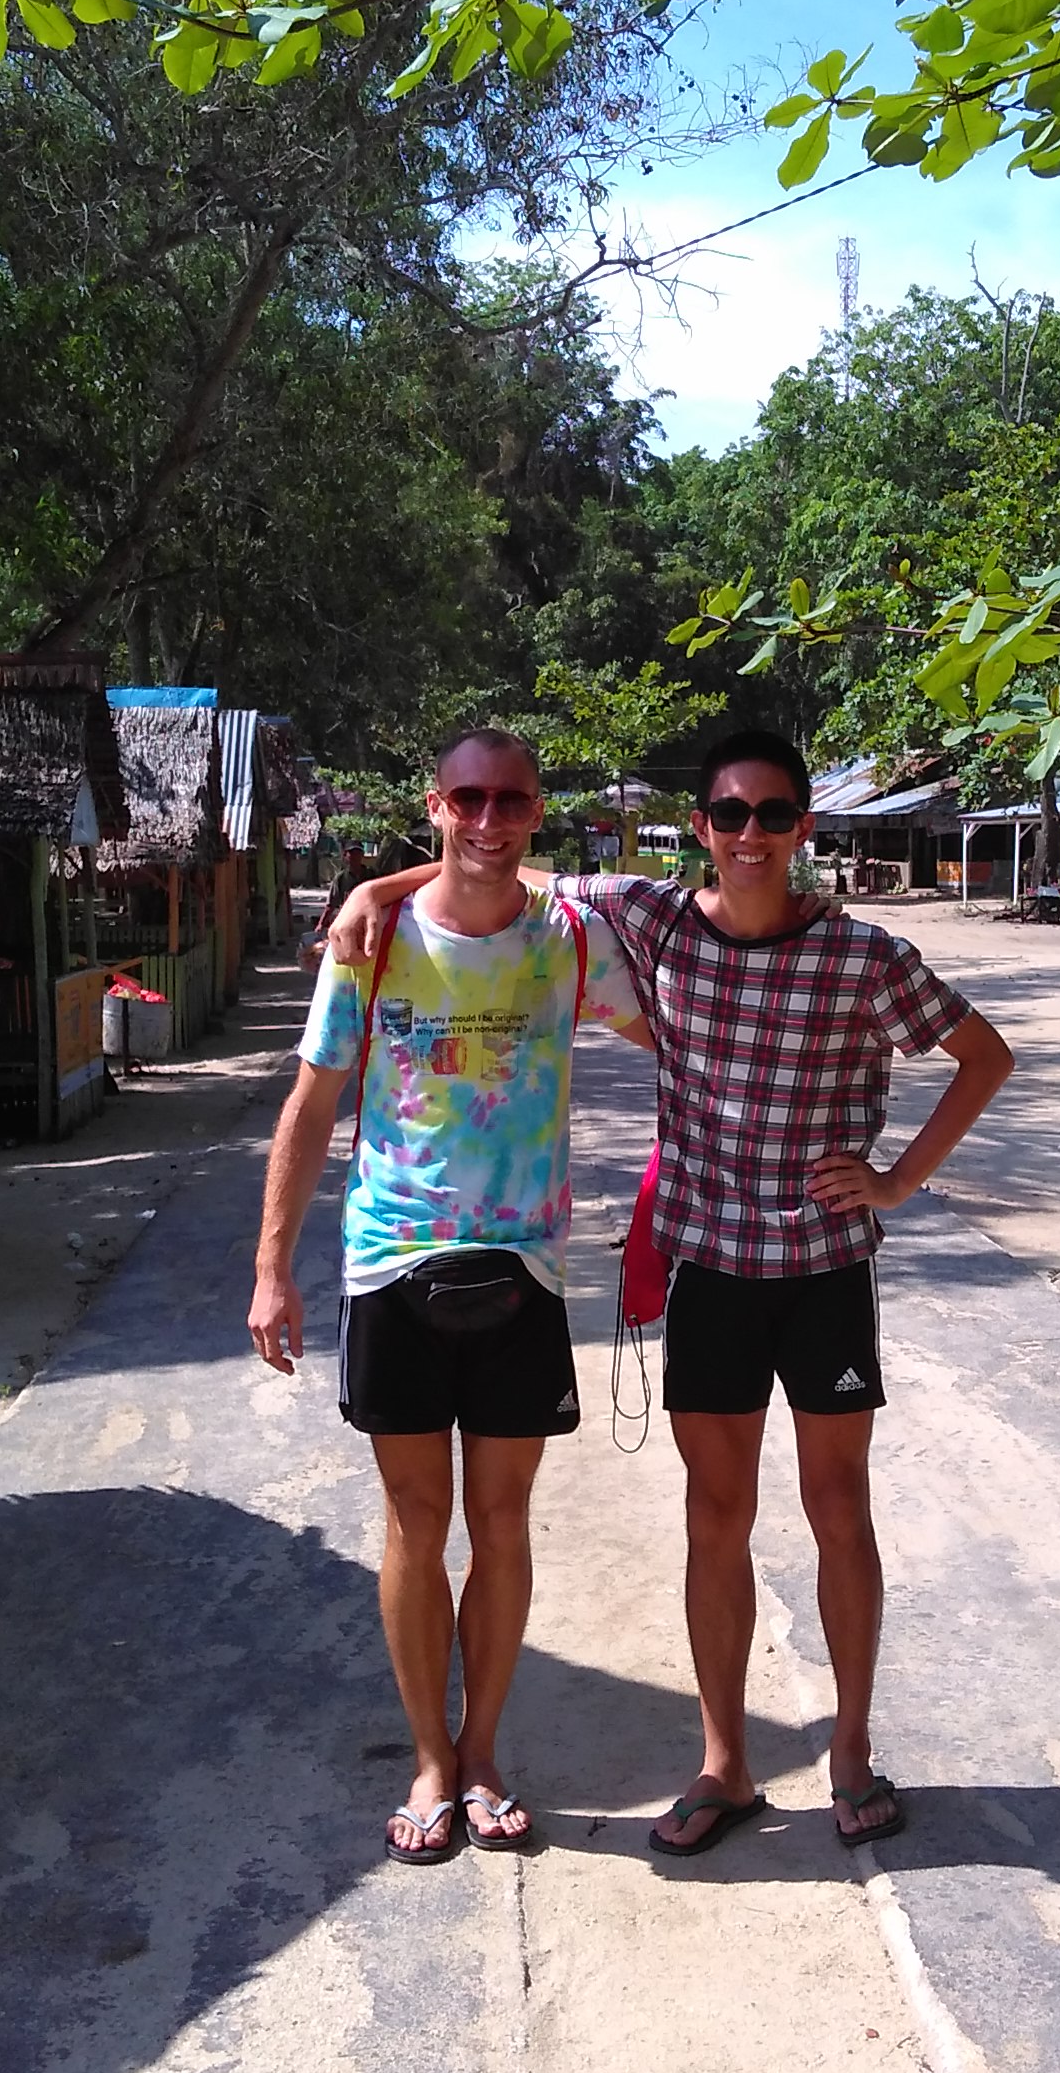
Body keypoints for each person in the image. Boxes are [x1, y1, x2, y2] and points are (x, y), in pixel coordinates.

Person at [329, 726, 1013, 1859]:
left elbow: (984, 1055)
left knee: (839, 1507)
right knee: (716, 1515)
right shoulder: (652, 920)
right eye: (730, 814)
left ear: (804, 827)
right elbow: (495, 862)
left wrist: (897, 1180)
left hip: (825, 1267)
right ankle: (724, 1763)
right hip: (709, 1268)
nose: (751, 835)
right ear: (701, 827)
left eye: (774, 814)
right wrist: (375, 886)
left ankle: (849, 1750)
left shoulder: (864, 955)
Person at [249, 724, 648, 1863]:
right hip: (392, 1262)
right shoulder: (371, 945)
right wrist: (272, 1268)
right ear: (434, 804)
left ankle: (483, 1754)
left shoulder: (570, 940)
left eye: (510, 800)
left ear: (537, 810)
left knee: (503, 1521)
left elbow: (677, 1029)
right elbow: (312, 1104)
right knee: (415, 1522)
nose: (487, 818)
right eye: (466, 798)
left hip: (522, 1264)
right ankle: (430, 1757)